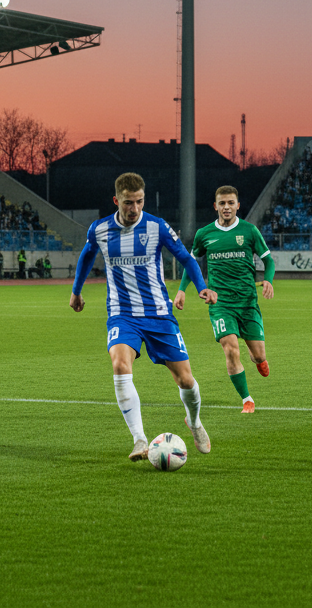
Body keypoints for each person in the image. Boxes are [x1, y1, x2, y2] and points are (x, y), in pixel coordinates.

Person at [69, 172, 218, 463]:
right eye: (128, 203)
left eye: (139, 202)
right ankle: (139, 438)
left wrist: (202, 286)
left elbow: (186, 258)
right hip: (122, 315)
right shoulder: (99, 230)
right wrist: (76, 291)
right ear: (116, 201)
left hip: (159, 315)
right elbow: (87, 256)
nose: (134, 208)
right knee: (120, 364)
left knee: (185, 380)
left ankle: (194, 421)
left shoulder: (156, 227)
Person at [174, 185, 275, 413]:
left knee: (259, 355)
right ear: (216, 206)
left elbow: (269, 261)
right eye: (222, 203)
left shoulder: (249, 231)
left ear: (238, 205)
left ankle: (258, 359)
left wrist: (268, 279)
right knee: (230, 349)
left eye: (231, 203)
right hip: (220, 304)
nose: (226, 207)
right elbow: (191, 263)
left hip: (248, 303)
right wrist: (182, 290)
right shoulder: (204, 234)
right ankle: (247, 399)